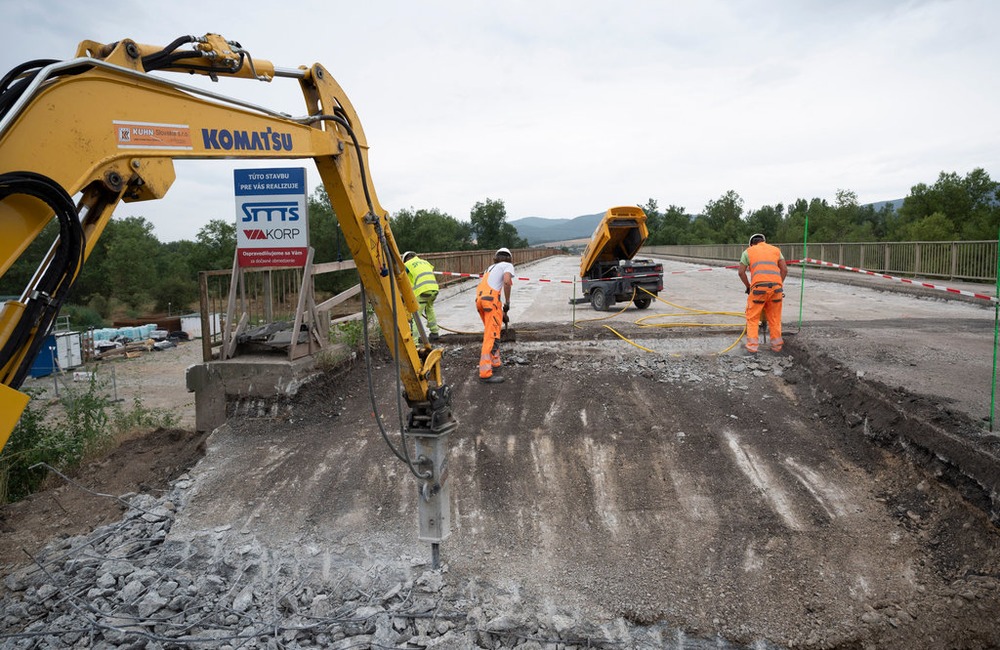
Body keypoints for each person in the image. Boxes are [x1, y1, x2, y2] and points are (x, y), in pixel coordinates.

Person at [738, 233, 788, 353]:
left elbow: (741, 272)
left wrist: (748, 287)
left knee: (753, 318)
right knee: (775, 318)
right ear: (764, 241)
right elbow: (784, 270)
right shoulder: (776, 250)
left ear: (751, 244)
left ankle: (752, 348)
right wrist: (778, 284)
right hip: (776, 289)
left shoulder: (748, 252)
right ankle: (777, 347)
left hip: (758, 289)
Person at [475, 247, 515, 384]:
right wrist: (508, 302)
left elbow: (491, 290)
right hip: (490, 302)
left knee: (494, 331)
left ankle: (495, 363)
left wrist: (502, 313)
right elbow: (506, 282)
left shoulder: (490, 268)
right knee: (490, 336)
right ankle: (485, 373)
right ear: (509, 258)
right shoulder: (507, 266)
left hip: (481, 301)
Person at [402, 251, 441, 341]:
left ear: (405, 259)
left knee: (416, 315)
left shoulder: (407, 264)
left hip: (422, 291)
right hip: (434, 289)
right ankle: (435, 332)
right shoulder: (425, 262)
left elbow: (404, 281)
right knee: (430, 309)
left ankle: (414, 341)